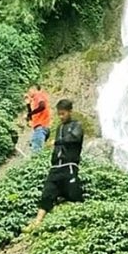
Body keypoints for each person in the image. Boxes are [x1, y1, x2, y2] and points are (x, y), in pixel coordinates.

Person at [27, 98, 83, 230]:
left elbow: (74, 139)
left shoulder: (77, 125)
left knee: (74, 193)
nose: (61, 116)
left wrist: (57, 142)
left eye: (63, 113)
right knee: (47, 192)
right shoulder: (59, 127)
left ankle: (77, 221)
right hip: (56, 167)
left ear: (70, 111)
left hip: (69, 165)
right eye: (59, 114)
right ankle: (37, 222)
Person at [25, 85, 51, 152]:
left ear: (34, 89)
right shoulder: (34, 101)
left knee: (36, 151)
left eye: (29, 91)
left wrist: (30, 113)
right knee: (36, 147)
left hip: (41, 127)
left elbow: (42, 106)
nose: (28, 93)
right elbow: (31, 116)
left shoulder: (38, 95)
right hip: (42, 127)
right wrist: (28, 104)